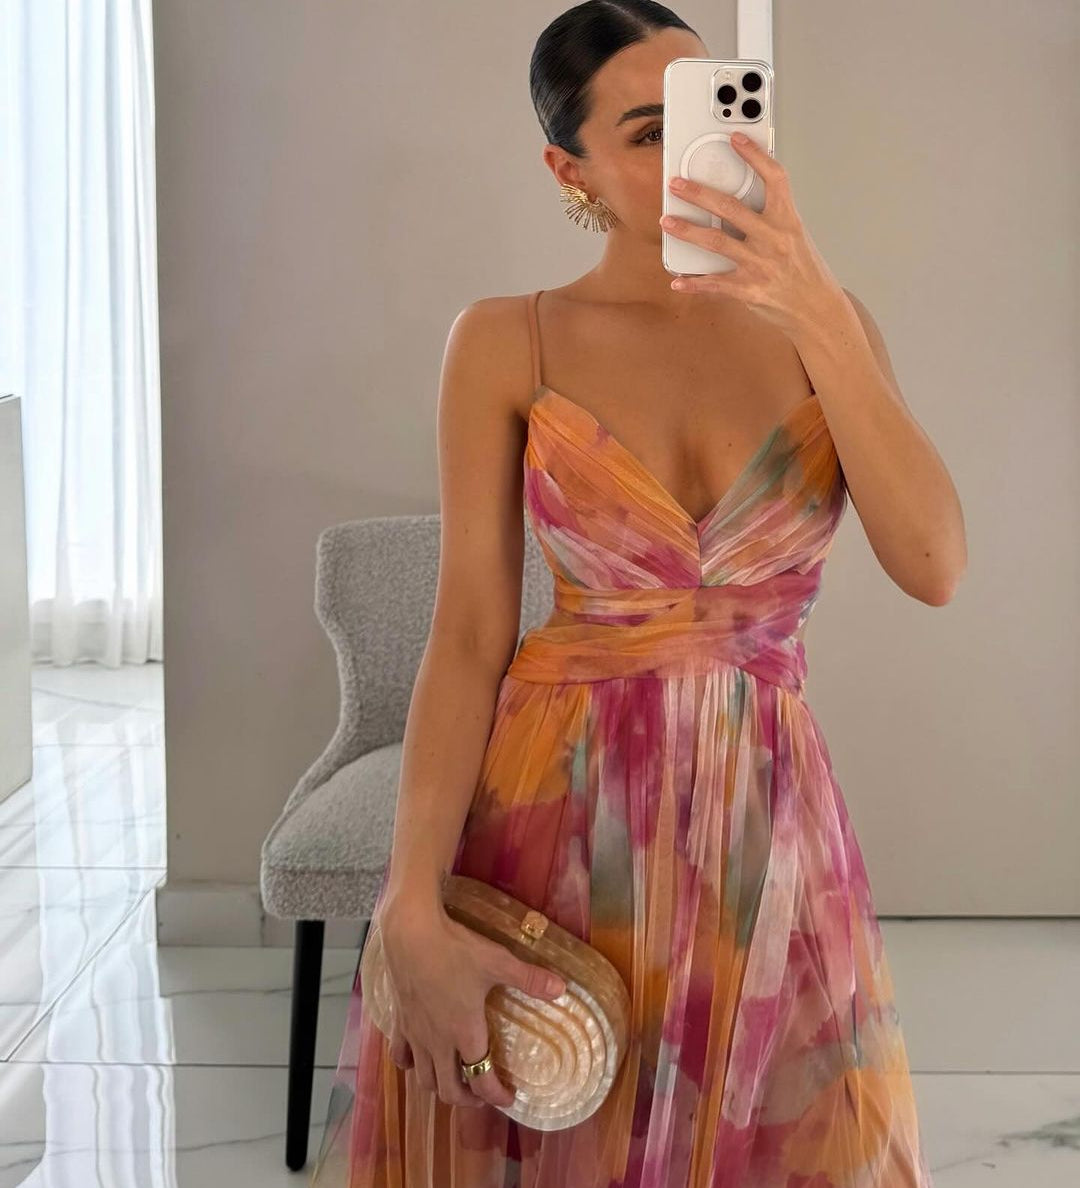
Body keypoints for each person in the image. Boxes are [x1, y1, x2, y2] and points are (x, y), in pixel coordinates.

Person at [311, 2, 964, 1184]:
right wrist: (409, 900)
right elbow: (469, 635)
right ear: (570, 170)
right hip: (555, 815)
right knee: (563, 1142)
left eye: (709, 112)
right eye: (649, 131)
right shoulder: (506, 341)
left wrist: (814, 300)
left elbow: (935, 567)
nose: (693, 152)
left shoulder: (829, 328)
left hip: (768, 821)